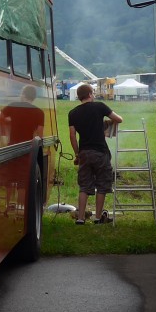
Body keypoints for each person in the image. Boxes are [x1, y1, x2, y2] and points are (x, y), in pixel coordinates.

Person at [68, 83, 123, 224]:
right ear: (90, 94)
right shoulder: (100, 107)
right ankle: (98, 218)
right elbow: (119, 119)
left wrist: (77, 154)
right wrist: (106, 123)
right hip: (101, 152)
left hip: (84, 153)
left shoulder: (73, 113)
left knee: (84, 186)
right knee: (102, 185)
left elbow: (72, 136)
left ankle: (80, 218)